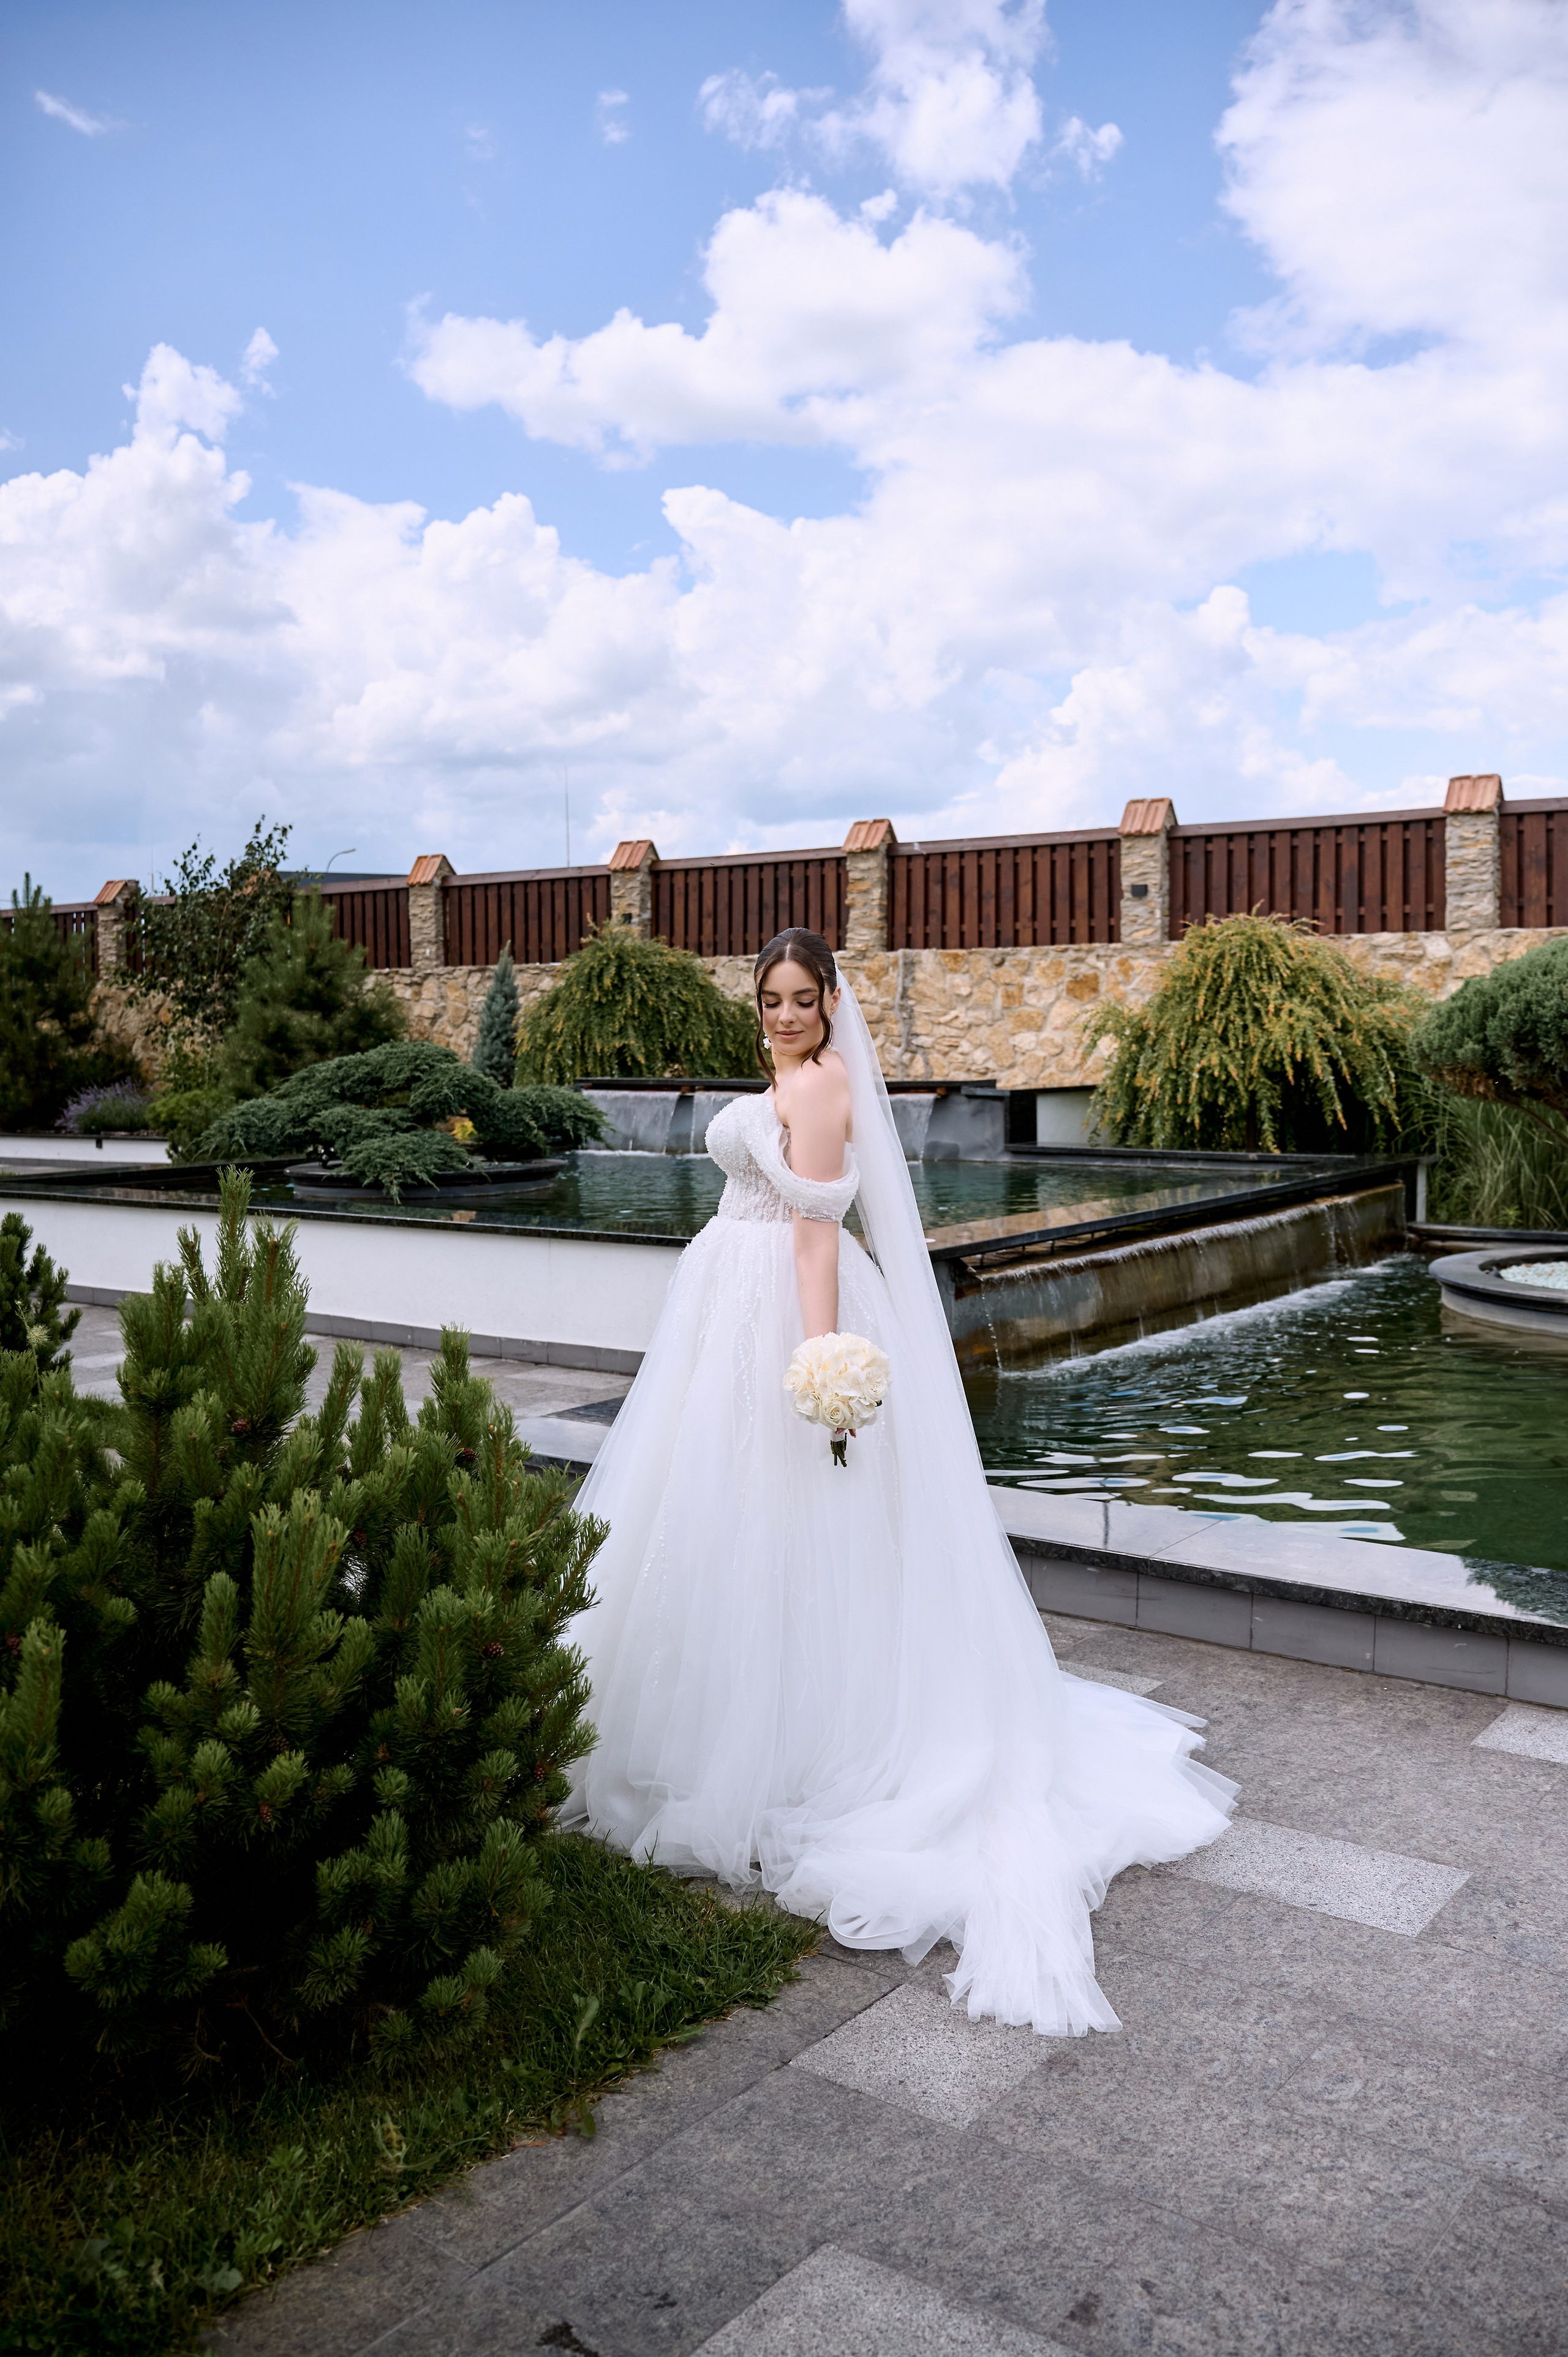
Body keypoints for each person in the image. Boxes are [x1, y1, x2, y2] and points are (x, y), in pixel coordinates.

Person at [562, 928, 1235, 2034]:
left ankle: (785, 1741)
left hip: (786, 1309)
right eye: (771, 1000)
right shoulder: (790, 1077)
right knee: (716, 1517)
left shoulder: (821, 1086)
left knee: (793, 1521)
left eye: (802, 998)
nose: (785, 1016)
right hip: (728, 1298)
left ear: (832, 1001)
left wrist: (817, 1360)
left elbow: (816, 1236)